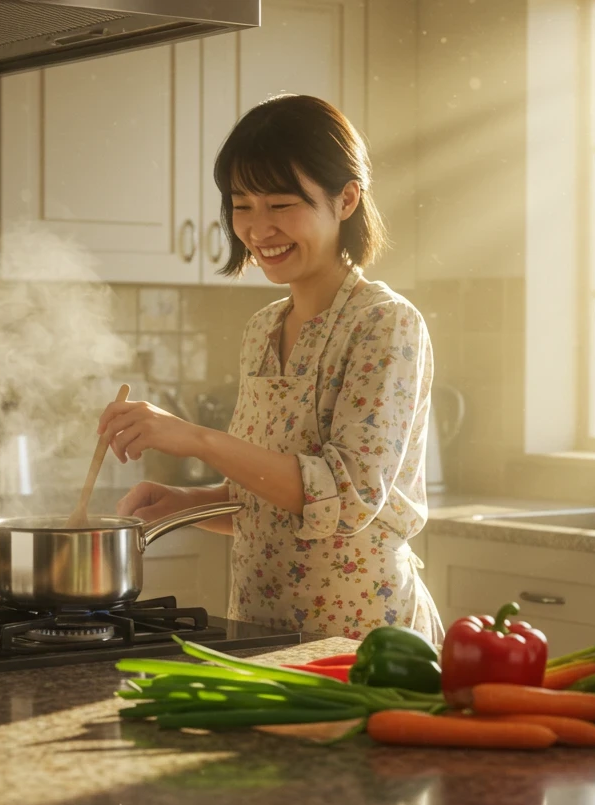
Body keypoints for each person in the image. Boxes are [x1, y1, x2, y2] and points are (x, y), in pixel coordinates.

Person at [97, 94, 443, 645]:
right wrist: (190, 505)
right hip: (260, 631)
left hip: (361, 641)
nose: (258, 230)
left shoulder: (386, 324)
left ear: (347, 198)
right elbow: (277, 503)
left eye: (281, 205)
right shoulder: (262, 329)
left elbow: (345, 498)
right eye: (242, 206)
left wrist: (194, 438)